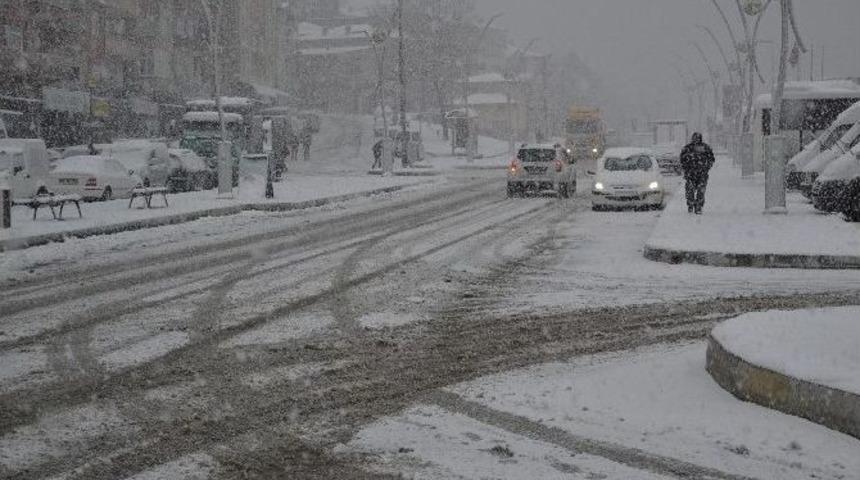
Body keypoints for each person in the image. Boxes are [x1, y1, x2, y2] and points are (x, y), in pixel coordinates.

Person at [680, 132, 716, 215]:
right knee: (690, 190)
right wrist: (686, 169)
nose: (696, 139)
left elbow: (711, 159)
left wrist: (706, 167)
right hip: (690, 174)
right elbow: (682, 160)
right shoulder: (687, 148)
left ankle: (699, 206)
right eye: (695, 138)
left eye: (697, 138)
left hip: (702, 174)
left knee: (700, 191)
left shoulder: (705, 147)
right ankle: (690, 205)